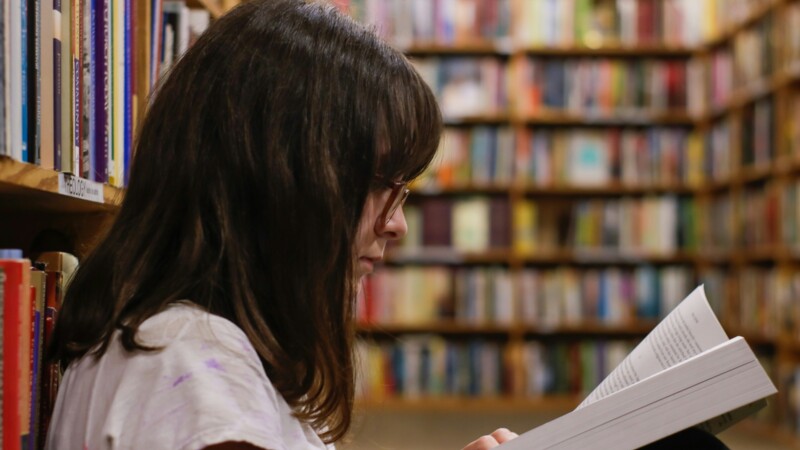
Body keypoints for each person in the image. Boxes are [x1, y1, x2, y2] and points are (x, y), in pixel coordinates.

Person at [44, 0, 517, 449]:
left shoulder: (191, 348)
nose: (398, 225)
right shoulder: (191, 368)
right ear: (282, 177)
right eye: (379, 184)